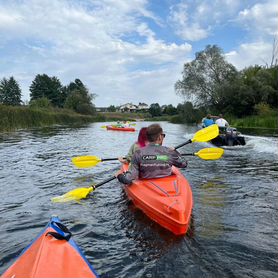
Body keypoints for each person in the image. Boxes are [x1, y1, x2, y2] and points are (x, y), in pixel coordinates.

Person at [115, 124, 188, 185]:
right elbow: (184, 164)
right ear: (160, 137)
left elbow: (128, 179)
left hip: (147, 183)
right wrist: (175, 151)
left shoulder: (138, 153)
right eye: (163, 135)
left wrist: (119, 175)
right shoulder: (169, 152)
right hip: (167, 185)